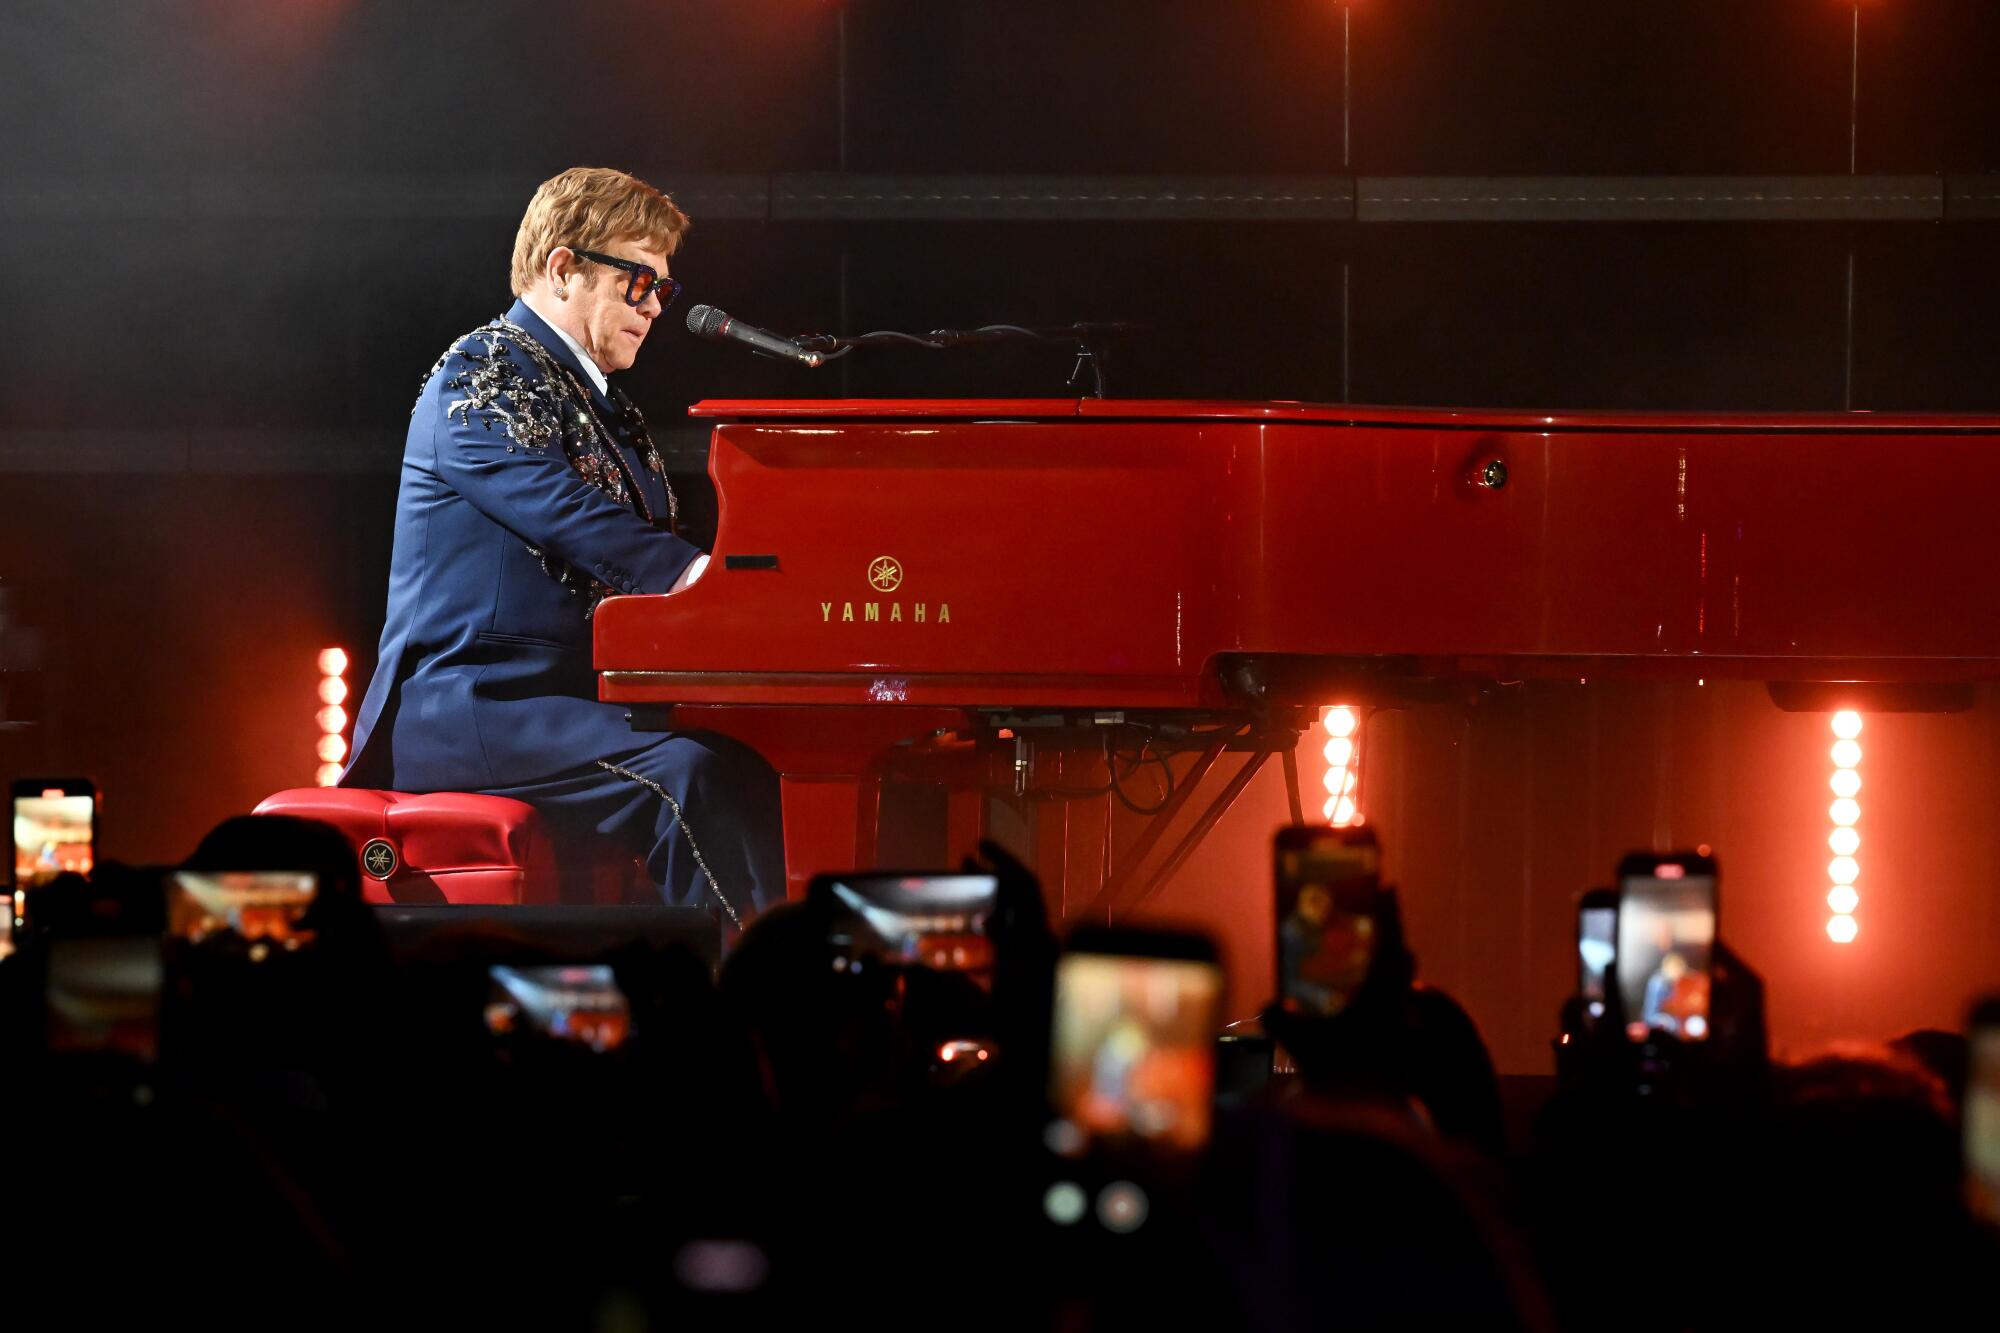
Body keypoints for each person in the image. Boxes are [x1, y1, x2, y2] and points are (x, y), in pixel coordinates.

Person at [342, 167, 782, 922]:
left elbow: (644, 552)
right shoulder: (477, 374)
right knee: (693, 775)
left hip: (568, 704)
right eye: (638, 281)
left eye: (663, 291)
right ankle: (747, 1016)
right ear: (563, 267)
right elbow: (565, 513)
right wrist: (704, 576)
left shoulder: (607, 407)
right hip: (473, 703)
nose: (654, 307)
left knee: (756, 758)